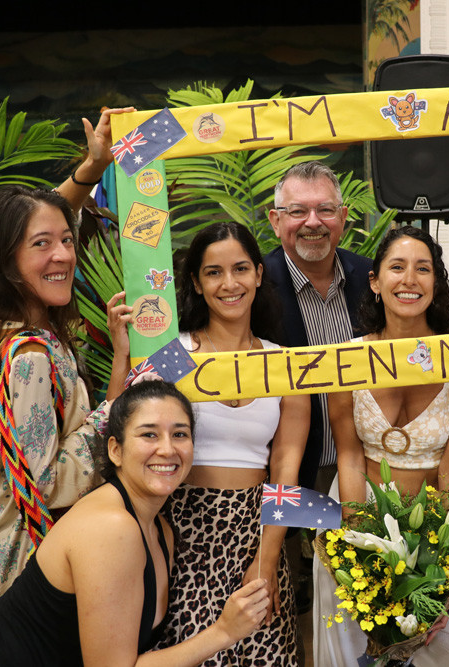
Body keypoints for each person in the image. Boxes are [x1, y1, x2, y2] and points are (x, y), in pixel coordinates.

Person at [0, 380, 271, 666]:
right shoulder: (112, 527)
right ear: (115, 450)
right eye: (149, 434)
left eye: (180, 434)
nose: (167, 449)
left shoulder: (161, 531)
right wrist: (224, 632)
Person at [0, 171, 134, 608]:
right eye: (41, 244)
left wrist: (121, 358)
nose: (63, 255)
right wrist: (115, 417)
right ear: (6, 261)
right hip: (32, 573)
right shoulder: (29, 356)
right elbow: (48, 484)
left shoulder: (25, 333)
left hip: (32, 561)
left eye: (67, 240)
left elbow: (79, 429)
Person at [313, 225, 449, 667]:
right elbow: (350, 455)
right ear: (375, 281)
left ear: (436, 284)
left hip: (434, 529)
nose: (409, 279)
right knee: (361, 650)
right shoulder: (348, 358)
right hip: (357, 516)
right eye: (397, 267)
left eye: (423, 269)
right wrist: (358, 549)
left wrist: (443, 564)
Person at [154, 222, 310, 667]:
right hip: (179, 530)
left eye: (240, 269)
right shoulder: (173, 353)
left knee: (264, 652)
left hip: (257, 530)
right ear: (197, 284)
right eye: (213, 273)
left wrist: (268, 555)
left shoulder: (284, 362)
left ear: (259, 275)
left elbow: (286, 467)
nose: (229, 284)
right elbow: (121, 428)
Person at [265, 161, 372, 492]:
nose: (313, 222)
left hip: (371, 473)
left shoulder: (375, 279)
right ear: (276, 220)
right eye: (298, 211)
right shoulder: (252, 288)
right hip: (288, 475)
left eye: (325, 209)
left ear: (343, 216)